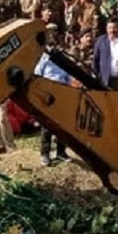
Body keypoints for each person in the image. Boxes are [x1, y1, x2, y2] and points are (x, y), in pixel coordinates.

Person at [35, 25, 71, 166]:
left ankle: (61, 152)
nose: (54, 38)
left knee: (62, 125)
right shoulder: (43, 57)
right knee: (47, 125)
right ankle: (45, 153)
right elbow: (38, 75)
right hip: (48, 93)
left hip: (63, 91)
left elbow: (67, 74)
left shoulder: (62, 55)